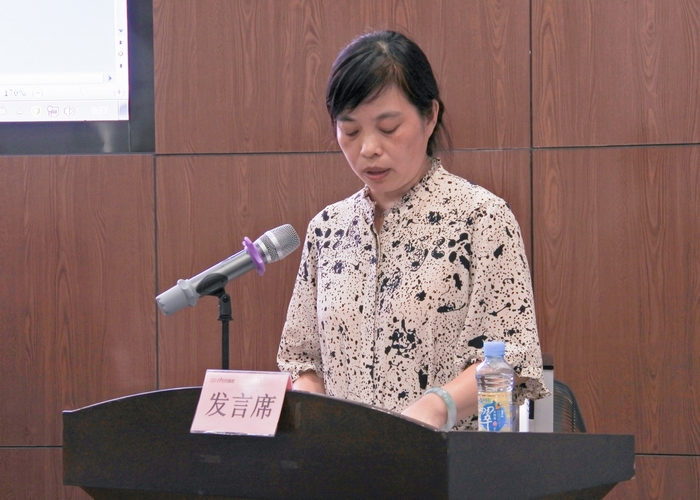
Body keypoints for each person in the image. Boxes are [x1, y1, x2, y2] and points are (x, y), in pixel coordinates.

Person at [277, 30, 548, 431]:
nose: (368, 148)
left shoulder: (481, 217)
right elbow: (302, 359)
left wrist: (437, 407)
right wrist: (315, 412)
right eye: (350, 131)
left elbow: (512, 355)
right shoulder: (327, 230)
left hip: (444, 458)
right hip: (343, 460)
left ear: (430, 116)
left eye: (388, 128)